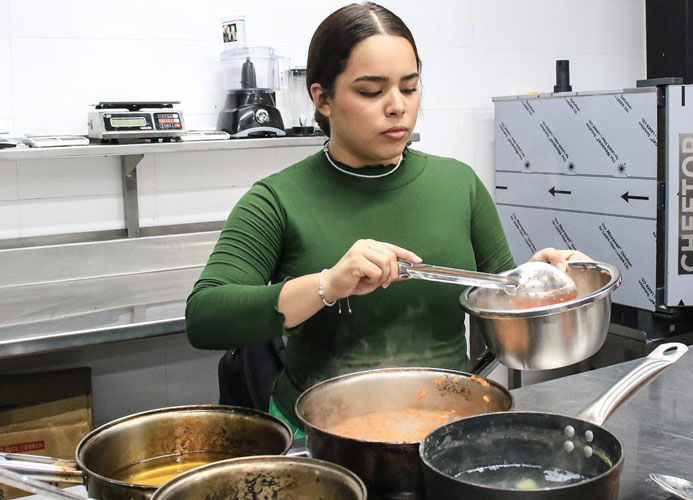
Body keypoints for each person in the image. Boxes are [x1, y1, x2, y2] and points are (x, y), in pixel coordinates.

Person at [185, 2, 589, 437]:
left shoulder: (459, 184)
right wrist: (326, 285)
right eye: (371, 91)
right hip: (323, 439)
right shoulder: (277, 199)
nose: (397, 107)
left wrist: (536, 283)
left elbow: (502, 299)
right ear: (322, 98)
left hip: (448, 428)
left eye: (409, 88)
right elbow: (206, 316)